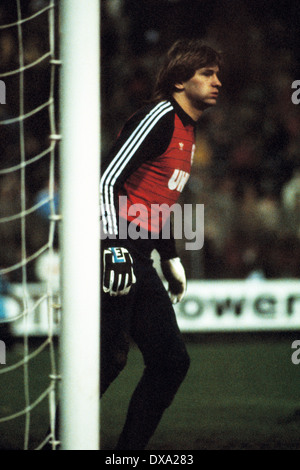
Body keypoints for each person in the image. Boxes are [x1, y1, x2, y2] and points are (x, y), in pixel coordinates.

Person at [100, 38, 222, 450]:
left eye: (217, 73)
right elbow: (105, 180)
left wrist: (168, 257)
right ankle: (51, 440)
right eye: (206, 73)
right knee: (108, 361)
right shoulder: (159, 118)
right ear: (178, 81)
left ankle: (126, 456)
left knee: (170, 362)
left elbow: (153, 203)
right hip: (114, 251)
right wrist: (110, 246)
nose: (216, 81)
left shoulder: (188, 129)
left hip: (138, 253)